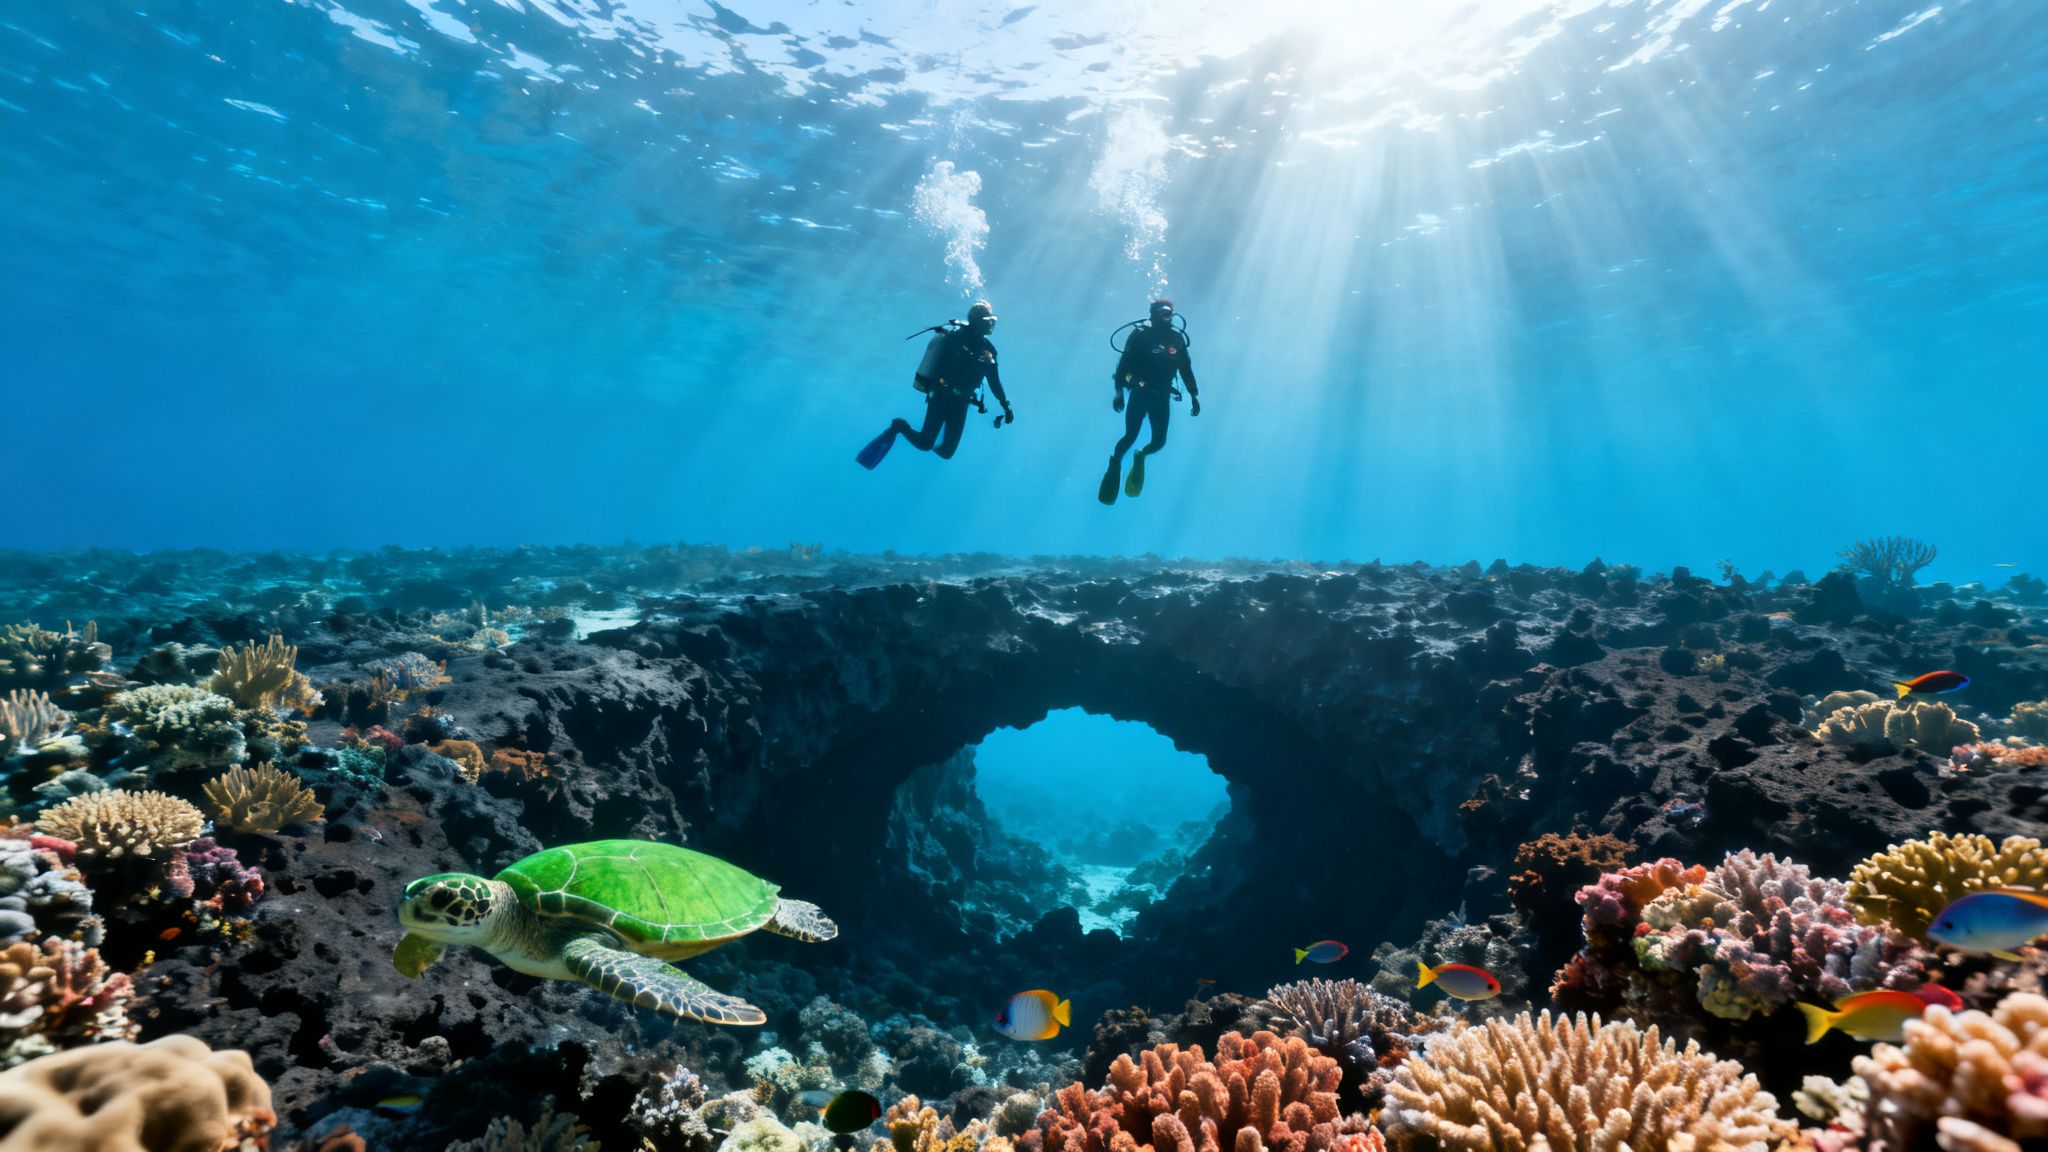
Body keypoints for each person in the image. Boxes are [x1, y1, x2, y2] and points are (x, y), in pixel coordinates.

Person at [857, 301, 1013, 469]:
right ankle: (900, 427)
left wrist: (1005, 405)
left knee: (947, 452)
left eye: (993, 320)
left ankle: (912, 443)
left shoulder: (989, 350)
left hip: (961, 402)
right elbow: (942, 366)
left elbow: (994, 382)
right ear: (977, 321)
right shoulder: (955, 338)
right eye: (989, 320)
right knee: (925, 444)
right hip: (941, 395)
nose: (992, 324)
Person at [1099, 298, 1198, 504]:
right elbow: (1123, 366)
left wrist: (1194, 395)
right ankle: (1115, 464)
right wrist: (1118, 393)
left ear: (1172, 315)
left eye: (1167, 314)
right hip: (1140, 394)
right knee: (1130, 436)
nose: (1163, 318)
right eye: (1158, 314)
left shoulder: (1176, 339)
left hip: (1162, 396)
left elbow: (1185, 368)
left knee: (1159, 442)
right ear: (1151, 315)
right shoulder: (1140, 336)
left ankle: (1141, 456)